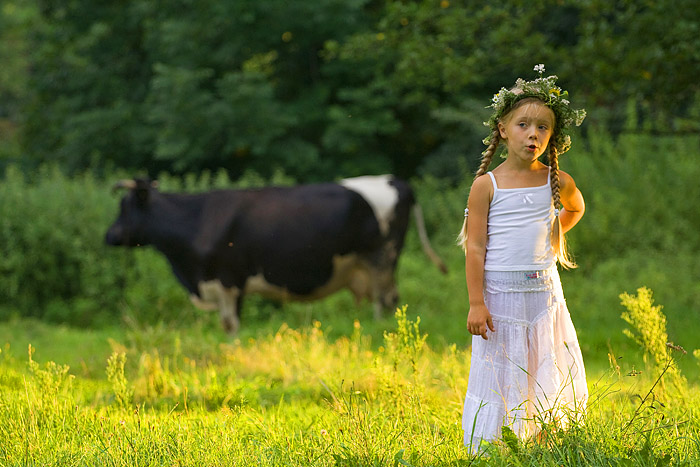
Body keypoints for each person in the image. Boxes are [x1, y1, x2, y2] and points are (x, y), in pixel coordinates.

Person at [458, 65, 588, 454]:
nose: (533, 135)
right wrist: (477, 303)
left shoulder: (556, 181)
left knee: (545, 365)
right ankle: (495, 449)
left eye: (543, 128)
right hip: (500, 297)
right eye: (523, 125)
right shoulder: (487, 185)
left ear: (554, 137)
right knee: (502, 370)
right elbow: (475, 247)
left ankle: (547, 444)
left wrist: (554, 234)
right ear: (502, 129)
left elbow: (575, 208)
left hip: (545, 294)